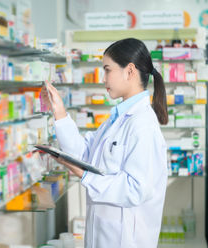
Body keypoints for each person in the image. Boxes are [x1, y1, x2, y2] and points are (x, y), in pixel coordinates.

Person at [41, 38, 168, 248]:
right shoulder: (116, 119)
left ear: (129, 71)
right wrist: (60, 113)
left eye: (107, 70)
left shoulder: (142, 124)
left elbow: (135, 189)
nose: (103, 78)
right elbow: (84, 154)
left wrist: (84, 175)